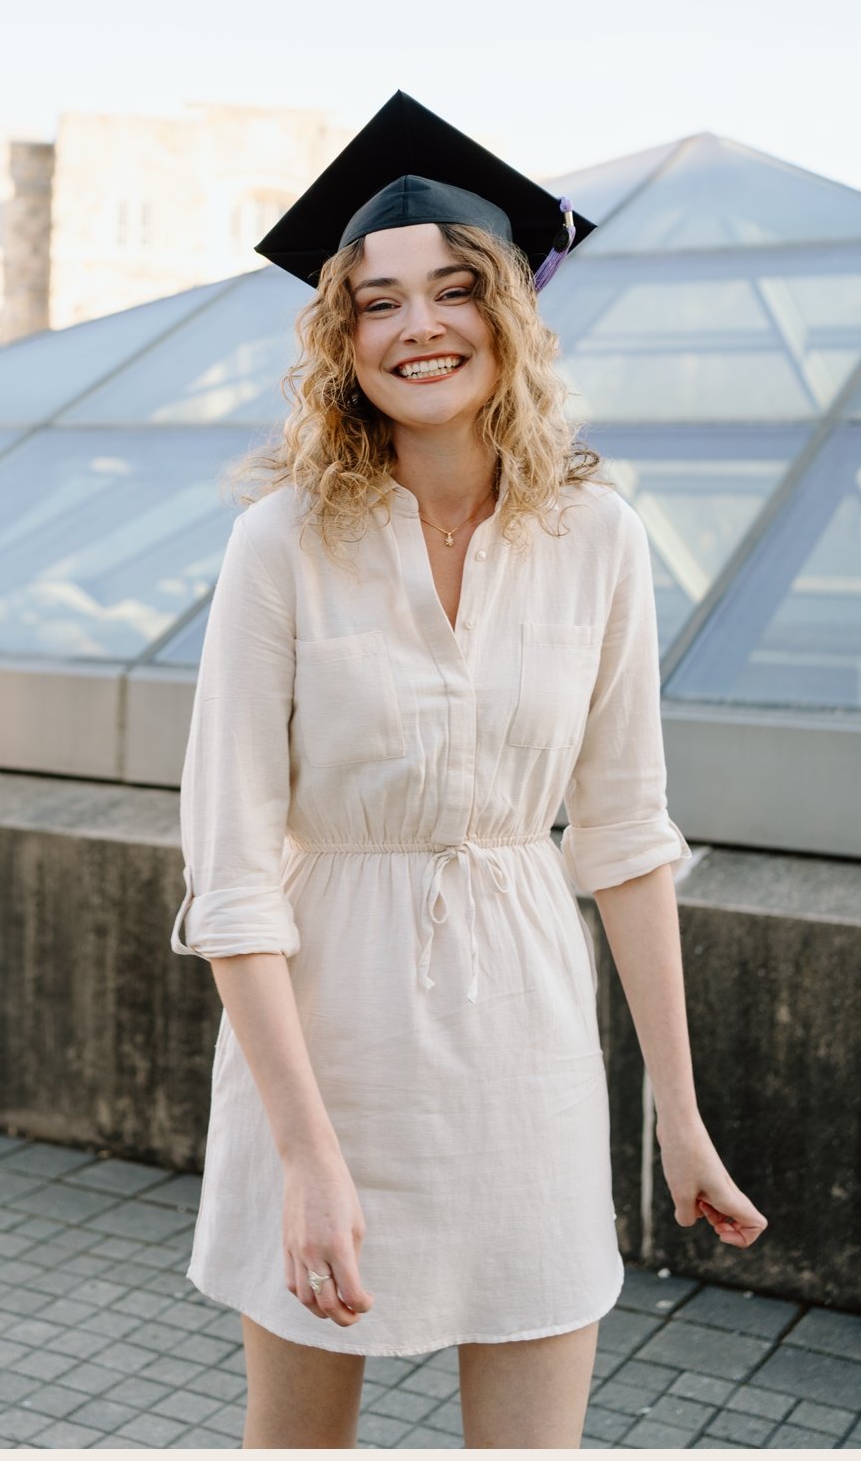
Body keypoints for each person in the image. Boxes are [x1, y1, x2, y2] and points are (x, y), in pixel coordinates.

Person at [169, 92, 765, 1448]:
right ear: (342, 336)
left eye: (454, 290)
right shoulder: (282, 544)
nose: (418, 326)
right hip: (327, 1046)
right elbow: (235, 879)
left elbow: (623, 836)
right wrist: (308, 1162)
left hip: (528, 1046)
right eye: (377, 303)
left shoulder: (599, 537)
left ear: (512, 313)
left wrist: (681, 1115)